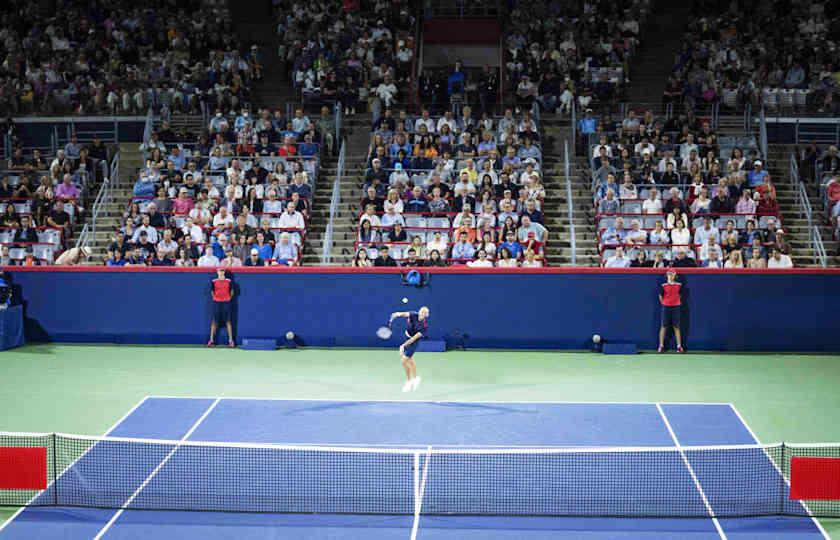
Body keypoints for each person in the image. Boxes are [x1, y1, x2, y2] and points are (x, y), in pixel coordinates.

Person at [388, 307, 430, 392]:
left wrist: (403, 346)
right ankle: (416, 378)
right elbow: (404, 314)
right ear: (419, 312)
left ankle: (409, 381)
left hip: (413, 342)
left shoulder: (424, 326)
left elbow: (413, 339)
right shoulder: (413, 314)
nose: (422, 314)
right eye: (421, 312)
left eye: (424, 313)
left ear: (426, 316)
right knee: (409, 359)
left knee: (404, 360)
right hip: (406, 336)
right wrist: (397, 314)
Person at [658, 269, 685, 353]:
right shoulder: (663, 285)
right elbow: (660, 295)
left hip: (676, 307)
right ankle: (661, 346)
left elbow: (680, 294)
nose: (671, 275)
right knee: (663, 326)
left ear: (675, 275)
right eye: (669, 274)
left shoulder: (679, 285)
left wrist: (676, 301)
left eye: (672, 274)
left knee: (676, 327)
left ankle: (679, 346)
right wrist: (664, 303)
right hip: (666, 307)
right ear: (667, 275)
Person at [207, 268, 235, 348]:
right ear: (217, 272)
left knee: (228, 322)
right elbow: (212, 291)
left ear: (224, 272)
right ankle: (211, 341)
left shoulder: (229, 281)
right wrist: (215, 298)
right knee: (214, 322)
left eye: (222, 271)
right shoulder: (214, 281)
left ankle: (231, 341)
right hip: (217, 303)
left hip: (226, 303)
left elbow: (232, 291)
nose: (221, 272)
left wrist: (228, 298)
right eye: (220, 271)